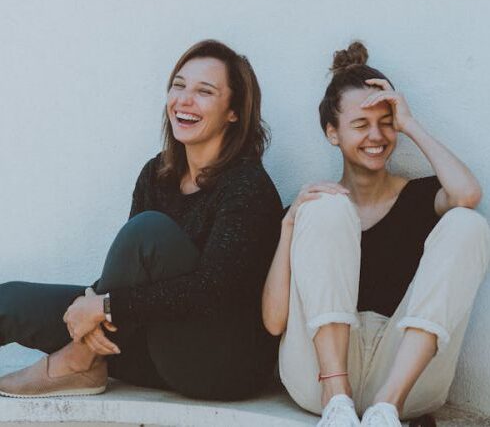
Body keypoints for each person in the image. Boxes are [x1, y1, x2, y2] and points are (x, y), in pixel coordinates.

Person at [0, 39, 283, 400]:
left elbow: (213, 290)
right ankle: (86, 355)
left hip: (217, 364)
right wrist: (93, 308)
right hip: (146, 346)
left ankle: (80, 362)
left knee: (148, 231)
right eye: (178, 85)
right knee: (7, 302)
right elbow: (128, 273)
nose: (184, 99)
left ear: (234, 111)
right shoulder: (157, 174)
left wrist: (103, 305)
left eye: (204, 91)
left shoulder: (247, 186)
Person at [262, 42, 490, 426]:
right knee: (326, 205)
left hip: (403, 378)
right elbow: (273, 322)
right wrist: (289, 227)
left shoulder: (420, 197)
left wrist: (410, 123)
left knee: (468, 222)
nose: (376, 135)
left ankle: (386, 408)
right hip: (317, 379)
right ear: (332, 133)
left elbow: (467, 194)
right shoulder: (313, 209)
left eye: (386, 122)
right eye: (360, 124)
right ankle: (338, 399)